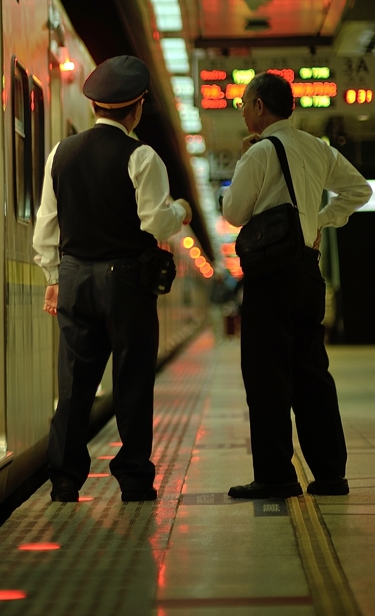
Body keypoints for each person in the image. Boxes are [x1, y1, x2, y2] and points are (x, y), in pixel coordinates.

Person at [33, 55, 192, 503]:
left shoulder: (59, 154)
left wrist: (53, 275)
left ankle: (65, 478)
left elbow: (48, 224)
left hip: (75, 277)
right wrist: (180, 210)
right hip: (125, 282)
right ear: (136, 107)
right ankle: (134, 477)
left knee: (75, 382)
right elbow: (157, 223)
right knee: (132, 379)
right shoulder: (141, 156)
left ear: (95, 106)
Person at [222, 72, 371, 499]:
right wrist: (319, 221)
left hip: (271, 277)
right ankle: (329, 475)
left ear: (259, 107)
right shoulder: (316, 147)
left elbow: (233, 212)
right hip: (308, 271)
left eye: (244, 103)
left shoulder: (259, 153)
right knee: (312, 372)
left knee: (267, 376)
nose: (244, 110)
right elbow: (357, 190)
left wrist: (243, 162)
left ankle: (276, 476)